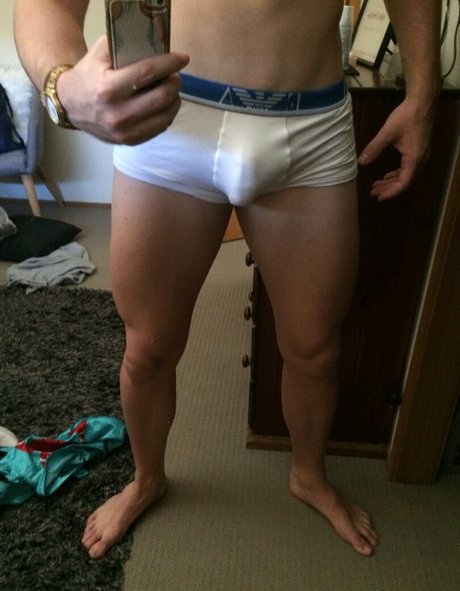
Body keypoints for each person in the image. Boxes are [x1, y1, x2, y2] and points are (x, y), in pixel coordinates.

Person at [14, 0, 441, 559]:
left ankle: (309, 476)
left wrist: (423, 93)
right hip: (170, 118)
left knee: (316, 352)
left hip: (310, 125)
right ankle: (147, 478)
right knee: (147, 350)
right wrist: (62, 85)